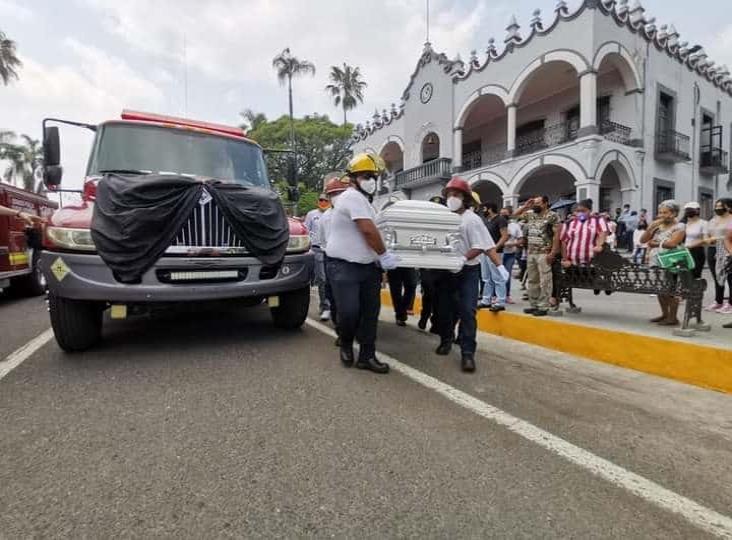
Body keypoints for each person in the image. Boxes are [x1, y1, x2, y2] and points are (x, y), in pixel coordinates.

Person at [326, 153, 399, 374]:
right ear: (354, 178)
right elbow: (368, 230)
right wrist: (385, 255)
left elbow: (375, 233)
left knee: (369, 314)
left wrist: (379, 263)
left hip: (368, 268)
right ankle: (346, 343)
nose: (372, 181)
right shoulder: (351, 198)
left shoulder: (368, 203)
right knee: (349, 312)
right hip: (344, 267)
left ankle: (367, 356)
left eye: (374, 176)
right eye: (367, 176)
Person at [433, 177, 508, 372]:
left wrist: (498, 266)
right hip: (446, 270)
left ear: (465, 198)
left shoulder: (472, 220)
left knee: (467, 311)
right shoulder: (442, 217)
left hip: (467, 271)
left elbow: (481, 245)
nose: (452, 198)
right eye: (449, 195)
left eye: (456, 195)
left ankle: (467, 353)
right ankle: (446, 340)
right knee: (445, 310)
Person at [640, 200, 686, 326]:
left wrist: (655, 243)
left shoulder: (680, 226)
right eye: (660, 212)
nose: (661, 215)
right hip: (656, 260)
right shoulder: (658, 226)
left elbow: (672, 244)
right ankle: (665, 314)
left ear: (674, 213)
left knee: (670, 290)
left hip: (672, 261)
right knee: (660, 289)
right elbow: (643, 240)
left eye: (665, 212)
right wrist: (650, 228)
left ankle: (673, 317)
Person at [515, 196, 560, 317]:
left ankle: (543, 305)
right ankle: (534, 304)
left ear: (545, 203)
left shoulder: (552, 216)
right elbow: (513, 216)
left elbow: (557, 236)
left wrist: (553, 253)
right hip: (531, 252)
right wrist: (525, 206)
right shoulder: (530, 214)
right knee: (532, 279)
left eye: (538, 203)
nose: (535, 205)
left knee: (545, 280)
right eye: (534, 203)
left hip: (544, 252)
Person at [319, 175, 349, 345]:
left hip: (350, 259)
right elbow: (324, 242)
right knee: (335, 296)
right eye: (334, 193)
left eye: (340, 192)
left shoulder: (353, 213)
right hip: (331, 259)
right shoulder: (324, 218)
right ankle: (341, 330)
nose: (337, 196)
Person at [304, 193, 331, 321]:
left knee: (333, 280)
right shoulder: (311, 214)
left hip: (332, 250)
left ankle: (334, 307)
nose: (323, 202)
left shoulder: (333, 214)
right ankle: (325, 308)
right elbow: (306, 231)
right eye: (321, 200)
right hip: (317, 250)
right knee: (322, 279)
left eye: (326, 200)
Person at [560, 199, 608, 269]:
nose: (580, 213)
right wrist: (565, 259)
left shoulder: (597, 220)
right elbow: (564, 242)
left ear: (590, 210)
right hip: (572, 263)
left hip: (591, 263)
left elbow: (602, 233)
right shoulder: (569, 223)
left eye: (583, 211)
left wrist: (599, 245)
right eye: (577, 211)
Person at [478, 202, 509, 311]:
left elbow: (505, 236)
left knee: (498, 277)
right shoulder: (487, 221)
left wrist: (495, 249)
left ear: (490, 209)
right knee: (486, 278)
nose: (483, 211)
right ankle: (486, 300)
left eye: (484, 208)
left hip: (496, 253)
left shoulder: (500, 220)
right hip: (485, 253)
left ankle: (500, 301)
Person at [706, 198, 732, 313]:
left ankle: (730, 303)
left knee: (730, 278)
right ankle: (718, 301)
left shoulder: (731, 219)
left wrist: (717, 238)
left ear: (728, 207)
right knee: (717, 276)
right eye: (716, 206)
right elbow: (707, 235)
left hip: (727, 249)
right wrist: (708, 240)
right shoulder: (713, 220)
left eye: (721, 206)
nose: (717, 208)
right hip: (713, 249)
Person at [500, 206, 522, 304]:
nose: (502, 216)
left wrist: (512, 244)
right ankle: (496, 295)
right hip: (498, 253)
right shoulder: (498, 224)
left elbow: (521, 240)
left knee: (507, 274)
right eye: (501, 214)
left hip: (510, 254)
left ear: (510, 214)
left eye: (505, 213)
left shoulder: (515, 226)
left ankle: (507, 295)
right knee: (497, 275)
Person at [681, 201, 708, 280]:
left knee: (695, 276)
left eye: (690, 210)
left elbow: (705, 239)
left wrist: (692, 245)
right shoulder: (683, 223)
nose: (688, 212)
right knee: (684, 277)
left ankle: (696, 292)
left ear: (698, 210)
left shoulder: (703, 223)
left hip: (696, 252)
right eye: (687, 210)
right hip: (683, 251)